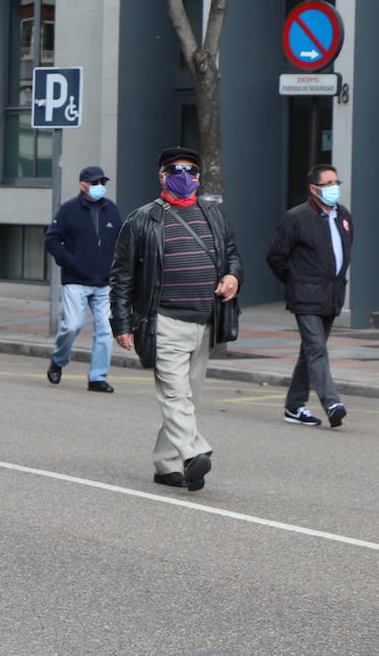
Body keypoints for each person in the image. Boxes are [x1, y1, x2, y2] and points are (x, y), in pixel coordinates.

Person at [110, 147, 242, 492]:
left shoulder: (213, 216)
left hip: (205, 323)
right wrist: (121, 323)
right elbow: (122, 277)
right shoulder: (142, 219)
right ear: (161, 176)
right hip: (164, 322)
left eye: (190, 170)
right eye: (174, 169)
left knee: (189, 399)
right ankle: (194, 453)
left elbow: (232, 256)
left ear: (199, 177)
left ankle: (166, 463)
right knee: (175, 396)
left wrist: (233, 277)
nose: (184, 176)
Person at [266, 163, 352, 428]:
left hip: (332, 294)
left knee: (309, 353)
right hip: (306, 296)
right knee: (316, 350)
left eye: (336, 183)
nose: (334, 188)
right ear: (314, 189)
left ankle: (294, 406)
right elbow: (276, 257)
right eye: (328, 184)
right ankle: (332, 403)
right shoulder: (296, 217)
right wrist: (296, 282)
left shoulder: (344, 215)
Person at [44, 165, 123, 392]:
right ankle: (58, 361)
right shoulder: (68, 210)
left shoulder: (111, 210)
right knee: (71, 325)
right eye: (95, 183)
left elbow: (122, 241)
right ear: (82, 185)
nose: (100, 187)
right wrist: (70, 262)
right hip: (76, 280)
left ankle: (97, 377)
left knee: (105, 331)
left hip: (104, 282)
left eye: (102, 183)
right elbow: (52, 240)